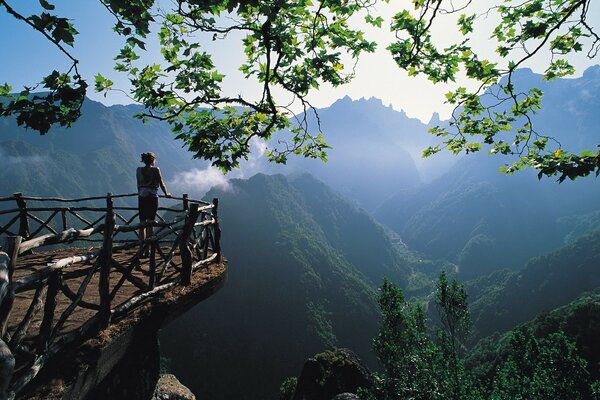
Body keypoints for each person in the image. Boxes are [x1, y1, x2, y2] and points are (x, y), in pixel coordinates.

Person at [137, 152, 171, 255]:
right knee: (150, 223)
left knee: (142, 223)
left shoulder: (138, 170)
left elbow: (138, 184)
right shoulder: (156, 170)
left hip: (141, 196)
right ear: (153, 160)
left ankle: (141, 248)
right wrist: (166, 194)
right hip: (152, 197)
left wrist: (141, 193)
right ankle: (148, 249)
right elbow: (161, 183)